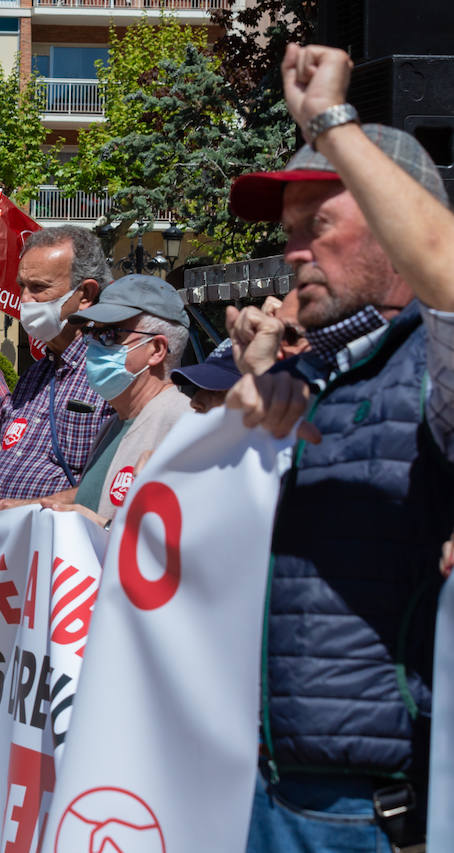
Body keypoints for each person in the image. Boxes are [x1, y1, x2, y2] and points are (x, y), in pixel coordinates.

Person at [223, 43, 454, 849]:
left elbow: (449, 269)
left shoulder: (435, 366)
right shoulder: (311, 371)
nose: (292, 251)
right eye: (286, 232)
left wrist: (330, 121)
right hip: (265, 788)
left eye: (319, 223)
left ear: (399, 224)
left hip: (376, 814)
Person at [0, 225, 118, 538]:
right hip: (12, 561)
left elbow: (121, 485)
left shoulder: (113, 375)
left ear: (86, 295)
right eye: (22, 286)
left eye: (39, 287)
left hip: (64, 560)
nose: (25, 299)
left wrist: (34, 509)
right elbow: (15, 467)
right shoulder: (34, 376)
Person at [38, 274, 192, 526]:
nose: (93, 345)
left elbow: (183, 538)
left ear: (156, 349)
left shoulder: (183, 427)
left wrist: (103, 528)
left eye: (109, 335)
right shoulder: (116, 423)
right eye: (92, 333)